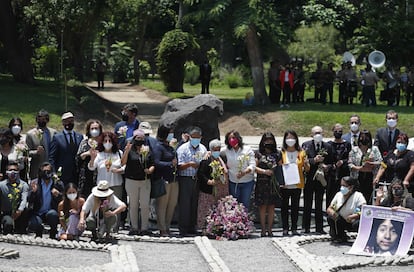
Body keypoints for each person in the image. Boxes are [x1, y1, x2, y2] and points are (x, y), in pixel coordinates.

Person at [121, 129, 154, 236]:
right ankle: (134, 227)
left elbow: (153, 163)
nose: (139, 140)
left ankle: (144, 227)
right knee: (133, 204)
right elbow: (123, 162)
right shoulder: (130, 150)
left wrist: (150, 170)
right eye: (137, 138)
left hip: (145, 180)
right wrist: (126, 151)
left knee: (145, 204)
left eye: (142, 138)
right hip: (131, 180)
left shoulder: (147, 150)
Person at [302, 126, 334, 234]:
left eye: (319, 132)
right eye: (315, 133)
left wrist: (326, 167)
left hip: (321, 179)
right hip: (310, 178)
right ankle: (305, 227)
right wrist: (313, 160)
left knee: (319, 203)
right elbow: (303, 161)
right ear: (312, 135)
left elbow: (332, 162)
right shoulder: (306, 145)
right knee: (307, 203)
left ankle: (319, 228)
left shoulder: (328, 146)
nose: (318, 135)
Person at [176, 126, 207, 236]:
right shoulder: (183, 148)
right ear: (189, 137)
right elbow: (179, 166)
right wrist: (189, 164)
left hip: (197, 179)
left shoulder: (202, 148)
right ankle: (183, 228)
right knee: (185, 204)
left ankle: (192, 226)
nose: (196, 140)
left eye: (198, 138)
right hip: (185, 178)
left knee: (194, 204)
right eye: (193, 137)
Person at [280, 130, 309, 236]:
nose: (290, 140)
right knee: (284, 207)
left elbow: (307, 169)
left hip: (297, 183)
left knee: (295, 207)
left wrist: (306, 164)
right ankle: (285, 228)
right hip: (285, 184)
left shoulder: (301, 152)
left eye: (292, 137)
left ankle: (294, 228)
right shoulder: (282, 152)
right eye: (288, 138)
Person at [197, 139, 228, 234]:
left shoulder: (221, 158)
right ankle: (204, 228)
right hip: (208, 189)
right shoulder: (206, 159)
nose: (217, 151)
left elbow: (226, 171)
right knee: (205, 209)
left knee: (218, 209)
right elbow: (201, 173)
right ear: (211, 149)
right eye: (215, 149)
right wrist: (208, 181)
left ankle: (217, 228)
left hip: (220, 189)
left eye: (218, 149)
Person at [152, 125, 178, 237]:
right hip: (163, 179)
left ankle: (168, 226)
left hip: (173, 179)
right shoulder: (159, 147)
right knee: (162, 205)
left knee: (172, 204)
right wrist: (169, 164)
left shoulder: (171, 147)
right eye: (170, 133)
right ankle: (162, 228)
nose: (172, 135)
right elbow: (156, 162)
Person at [254, 132, 282, 237]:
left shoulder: (278, 154)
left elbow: (281, 168)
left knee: (271, 207)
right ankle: (263, 229)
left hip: (273, 183)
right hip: (262, 182)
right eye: (266, 140)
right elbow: (254, 167)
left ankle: (270, 230)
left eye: (270, 140)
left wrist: (281, 181)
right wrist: (265, 171)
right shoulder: (258, 153)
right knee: (262, 207)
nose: (268, 142)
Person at [28, 162, 64, 239]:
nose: (46, 173)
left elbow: (64, 199)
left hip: (50, 211)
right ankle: (39, 232)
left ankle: (53, 232)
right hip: (38, 212)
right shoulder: (35, 183)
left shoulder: (57, 183)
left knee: (53, 215)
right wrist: (33, 193)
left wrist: (58, 195)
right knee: (34, 223)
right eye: (44, 171)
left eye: (48, 171)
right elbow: (29, 200)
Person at [223, 130, 256, 211]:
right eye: (229, 138)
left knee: (245, 204)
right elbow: (215, 152)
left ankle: (244, 222)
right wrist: (209, 153)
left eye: (233, 138)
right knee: (234, 204)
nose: (231, 140)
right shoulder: (226, 150)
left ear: (238, 138)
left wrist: (244, 172)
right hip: (233, 182)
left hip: (247, 182)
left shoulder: (247, 150)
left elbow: (253, 165)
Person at [326, 176, 366, 243]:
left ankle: (361, 239)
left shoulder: (358, 196)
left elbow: (363, 210)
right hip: (342, 220)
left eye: (344, 186)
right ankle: (339, 235)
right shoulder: (339, 195)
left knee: (357, 223)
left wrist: (353, 216)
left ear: (351, 187)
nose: (342, 188)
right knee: (330, 218)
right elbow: (330, 208)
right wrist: (332, 212)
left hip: (353, 221)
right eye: (341, 185)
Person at [49, 112, 83, 185]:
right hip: (62, 174)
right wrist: (54, 173)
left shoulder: (80, 137)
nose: (69, 123)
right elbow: (52, 157)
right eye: (67, 121)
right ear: (63, 122)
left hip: (76, 174)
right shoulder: (57, 138)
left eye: (71, 121)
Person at [88, 132, 124, 202]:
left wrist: (120, 170)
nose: (108, 143)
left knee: (117, 207)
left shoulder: (119, 153)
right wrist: (92, 158)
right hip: (102, 186)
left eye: (110, 141)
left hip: (116, 185)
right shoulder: (99, 154)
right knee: (103, 208)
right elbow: (91, 168)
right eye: (105, 141)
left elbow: (124, 165)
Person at [348, 130, 382, 204]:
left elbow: (380, 162)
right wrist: (359, 168)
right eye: (362, 137)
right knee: (357, 198)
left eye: (366, 137)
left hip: (370, 177)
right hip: (358, 177)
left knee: (368, 198)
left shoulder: (374, 149)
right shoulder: (354, 150)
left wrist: (371, 163)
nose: (364, 139)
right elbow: (350, 164)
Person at [26, 109, 57, 180]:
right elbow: (26, 152)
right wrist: (35, 152)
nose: (41, 121)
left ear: (47, 120)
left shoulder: (53, 133)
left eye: (43, 119)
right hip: (37, 168)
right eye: (39, 119)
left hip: (51, 168)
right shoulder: (30, 134)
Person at [0, 162, 30, 234]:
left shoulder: (23, 185)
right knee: (8, 224)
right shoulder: (1, 185)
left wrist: (19, 211)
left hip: (19, 212)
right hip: (6, 212)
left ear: (18, 172)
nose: (12, 172)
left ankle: (21, 230)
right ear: (6, 172)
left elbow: (24, 199)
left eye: (15, 170)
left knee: (27, 210)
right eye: (10, 170)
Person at [76, 119, 102, 198]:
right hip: (85, 177)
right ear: (89, 130)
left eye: (96, 128)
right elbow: (78, 159)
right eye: (92, 128)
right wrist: (87, 154)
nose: (94, 130)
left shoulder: (103, 143)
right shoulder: (84, 142)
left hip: (99, 176)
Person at [327, 124, 352, 207]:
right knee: (330, 195)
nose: (338, 133)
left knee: (343, 195)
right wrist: (332, 166)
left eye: (340, 131)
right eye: (336, 131)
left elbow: (350, 158)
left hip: (343, 173)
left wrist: (343, 161)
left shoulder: (347, 144)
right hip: (332, 174)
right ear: (333, 132)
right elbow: (327, 159)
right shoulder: (329, 144)